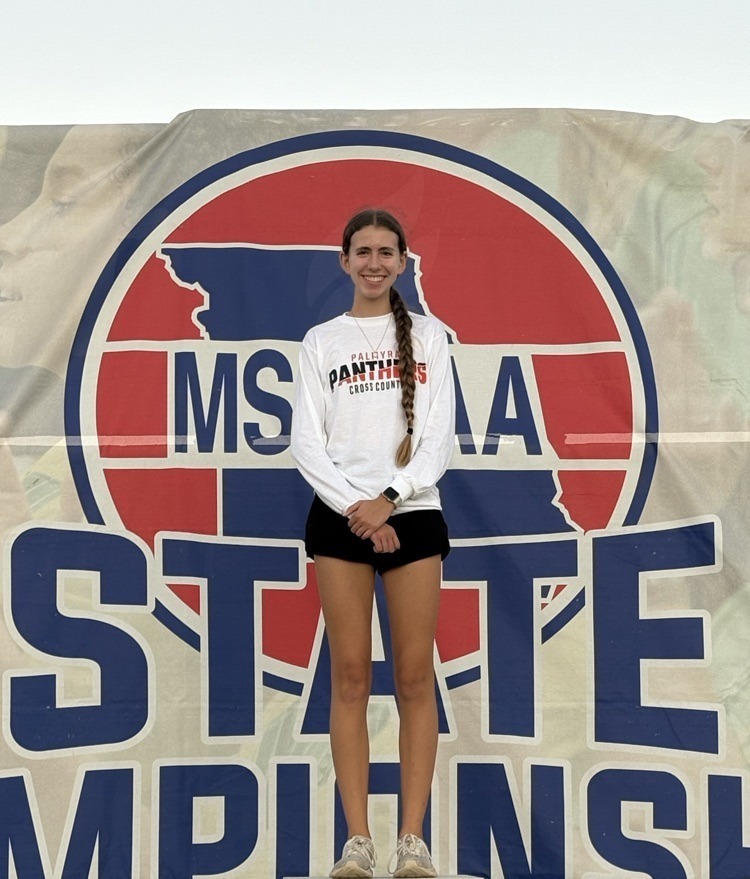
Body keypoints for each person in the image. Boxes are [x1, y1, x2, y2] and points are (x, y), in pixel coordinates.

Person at [290, 208, 455, 878]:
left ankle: (411, 840)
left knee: (415, 678)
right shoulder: (321, 340)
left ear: (404, 259)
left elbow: (438, 438)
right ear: (343, 260)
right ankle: (357, 840)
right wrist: (357, 509)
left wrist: (390, 498)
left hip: (410, 513)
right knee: (351, 675)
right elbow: (306, 439)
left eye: (387, 251)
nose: (374, 261)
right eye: (363, 251)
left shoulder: (432, 337)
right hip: (340, 517)